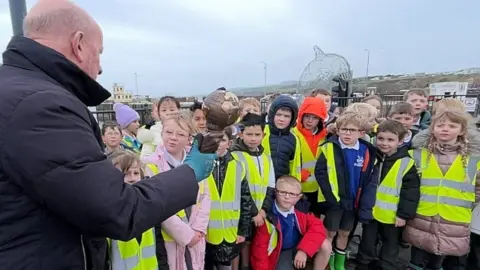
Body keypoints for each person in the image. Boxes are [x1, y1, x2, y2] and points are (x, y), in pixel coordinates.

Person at [0, 1, 217, 269]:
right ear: (78, 44)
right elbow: (117, 210)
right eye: (99, 53)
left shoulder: (13, 88)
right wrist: (190, 173)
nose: (100, 68)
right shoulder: (40, 105)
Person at [404, 109, 480, 270]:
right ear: (432, 128)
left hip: (454, 218)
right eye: (440, 125)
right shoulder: (418, 155)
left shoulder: (474, 159)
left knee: (439, 260)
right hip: (422, 215)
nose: (445, 129)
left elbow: (478, 188)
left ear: (462, 130)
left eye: (452, 126)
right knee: (417, 256)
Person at [145, 112, 211, 270]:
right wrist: (187, 235)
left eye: (180, 134)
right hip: (169, 237)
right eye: (168, 132)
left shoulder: (197, 163)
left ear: (189, 139)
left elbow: (205, 196)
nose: (173, 137)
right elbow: (157, 206)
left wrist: (198, 229)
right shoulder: (151, 166)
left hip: (196, 233)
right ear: (161, 133)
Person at [314, 113, 376, 270]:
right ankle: (328, 262)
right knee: (330, 233)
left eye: (352, 130)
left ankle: (340, 264)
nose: (347, 133)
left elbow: (368, 176)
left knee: (344, 233)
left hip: (354, 201)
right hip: (335, 201)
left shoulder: (366, 150)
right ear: (337, 130)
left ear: (361, 133)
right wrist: (331, 198)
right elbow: (320, 173)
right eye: (344, 129)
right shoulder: (328, 147)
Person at [356, 120, 420, 270]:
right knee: (367, 241)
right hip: (371, 211)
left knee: (390, 245)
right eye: (381, 138)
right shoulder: (372, 156)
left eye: (390, 140)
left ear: (400, 141)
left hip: (392, 216)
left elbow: (410, 192)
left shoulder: (406, 162)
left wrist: (403, 215)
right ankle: (363, 264)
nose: (384, 143)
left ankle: (387, 266)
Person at [250, 176, 331, 270]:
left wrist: (304, 250)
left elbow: (317, 227)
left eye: (292, 194)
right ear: (275, 192)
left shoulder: (301, 211)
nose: (287, 197)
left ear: (299, 197)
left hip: (298, 246)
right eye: (283, 192)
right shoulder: (268, 216)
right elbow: (259, 252)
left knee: (325, 245)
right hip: (278, 252)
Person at [231, 113, 276, 270]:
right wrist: (254, 212)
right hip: (241, 211)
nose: (253, 138)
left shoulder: (266, 157)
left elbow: (271, 186)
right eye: (249, 134)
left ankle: (246, 266)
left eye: (257, 134)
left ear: (263, 135)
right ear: (241, 133)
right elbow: (238, 188)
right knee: (238, 241)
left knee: (250, 242)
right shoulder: (235, 156)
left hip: (260, 212)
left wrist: (264, 210)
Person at [205, 129, 253, 270]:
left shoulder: (238, 165)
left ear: (230, 143)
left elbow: (246, 200)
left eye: (222, 140)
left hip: (230, 232)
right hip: (206, 231)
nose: (218, 144)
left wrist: (243, 231)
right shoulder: (202, 165)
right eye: (213, 140)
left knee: (225, 265)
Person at [107, 151, 160, 269]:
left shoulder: (148, 207)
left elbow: (158, 246)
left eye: (136, 173)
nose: (132, 179)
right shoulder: (108, 213)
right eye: (125, 174)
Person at [292, 97, 328, 216]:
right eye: (307, 116)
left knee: (315, 221)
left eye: (315, 117)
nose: (310, 121)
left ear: (321, 120)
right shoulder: (293, 134)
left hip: (319, 189)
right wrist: (297, 175)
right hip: (298, 188)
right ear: (301, 115)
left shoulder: (326, 136)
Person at [263, 95, 301, 181]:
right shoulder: (262, 132)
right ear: (272, 115)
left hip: (283, 186)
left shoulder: (294, 139)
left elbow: (295, 166)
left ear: (292, 118)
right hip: (262, 184)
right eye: (278, 114)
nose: (281, 119)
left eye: (286, 116)